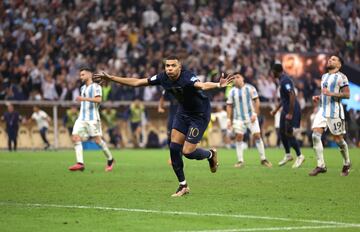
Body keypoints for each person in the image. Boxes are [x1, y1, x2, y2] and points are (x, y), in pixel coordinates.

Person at [94, 56, 233, 197]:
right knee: (173, 147)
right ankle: (183, 185)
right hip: (183, 112)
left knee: (188, 152)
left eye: (173, 65)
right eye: (167, 66)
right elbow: (137, 82)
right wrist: (111, 78)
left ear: (180, 67)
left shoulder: (187, 76)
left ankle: (210, 154)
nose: (170, 68)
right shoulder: (162, 77)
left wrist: (217, 85)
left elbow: (201, 85)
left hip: (200, 114)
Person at [309, 55, 351, 176]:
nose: (330, 60)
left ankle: (347, 162)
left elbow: (347, 95)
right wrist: (319, 97)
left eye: (333, 59)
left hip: (335, 111)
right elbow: (325, 94)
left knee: (338, 140)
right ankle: (320, 165)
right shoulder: (324, 77)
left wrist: (331, 93)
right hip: (322, 110)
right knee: (315, 135)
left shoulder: (342, 77)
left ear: (339, 65)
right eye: (330, 59)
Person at [68, 66, 115, 172]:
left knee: (98, 141)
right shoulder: (82, 88)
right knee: (75, 137)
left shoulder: (96, 87)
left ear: (89, 74)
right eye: (80, 75)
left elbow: (99, 100)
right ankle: (80, 163)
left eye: (83, 74)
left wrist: (83, 98)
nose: (81, 77)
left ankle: (110, 159)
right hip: (81, 118)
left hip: (93, 119)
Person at [226, 73, 272, 168]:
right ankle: (240, 160)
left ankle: (263, 159)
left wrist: (255, 114)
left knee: (257, 136)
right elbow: (229, 105)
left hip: (251, 117)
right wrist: (228, 119)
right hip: (238, 119)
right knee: (239, 137)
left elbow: (257, 101)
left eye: (238, 77)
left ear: (242, 78)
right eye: (234, 78)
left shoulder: (250, 88)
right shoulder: (232, 91)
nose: (236, 79)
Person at [270, 63, 305, 168]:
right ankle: (288, 155)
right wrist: (276, 110)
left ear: (276, 71)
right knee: (281, 132)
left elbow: (292, 95)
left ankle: (300, 156)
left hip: (292, 110)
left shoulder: (285, 80)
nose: (272, 74)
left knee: (288, 133)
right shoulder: (281, 81)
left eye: (273, 72)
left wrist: (290, 113)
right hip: (285, 110)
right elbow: (284, 98)